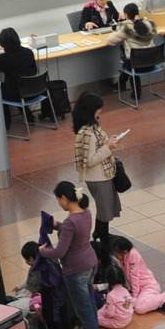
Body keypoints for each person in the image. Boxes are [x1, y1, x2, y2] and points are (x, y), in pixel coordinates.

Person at [40, 181, 101, 329]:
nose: (58, 202)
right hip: (90, 263)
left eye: (58, 199)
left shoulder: (70, 222)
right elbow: (75, 232)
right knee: (89, 305)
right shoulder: (85, 212)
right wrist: (57, 225)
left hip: (76, 270)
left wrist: (42, 251)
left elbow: (59, 252)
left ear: (64, 198)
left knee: (84, 312)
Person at [70, 93, 121, 243]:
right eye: (98, 109)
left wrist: (108, 142)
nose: (100, 111)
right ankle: (102, 236)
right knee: (104, 208)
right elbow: (90, 160)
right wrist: (108, 147)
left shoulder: (91, 128)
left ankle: (101, 232)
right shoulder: (87, 133)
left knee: (105, 206)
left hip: (102, 175)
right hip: (97, 177)